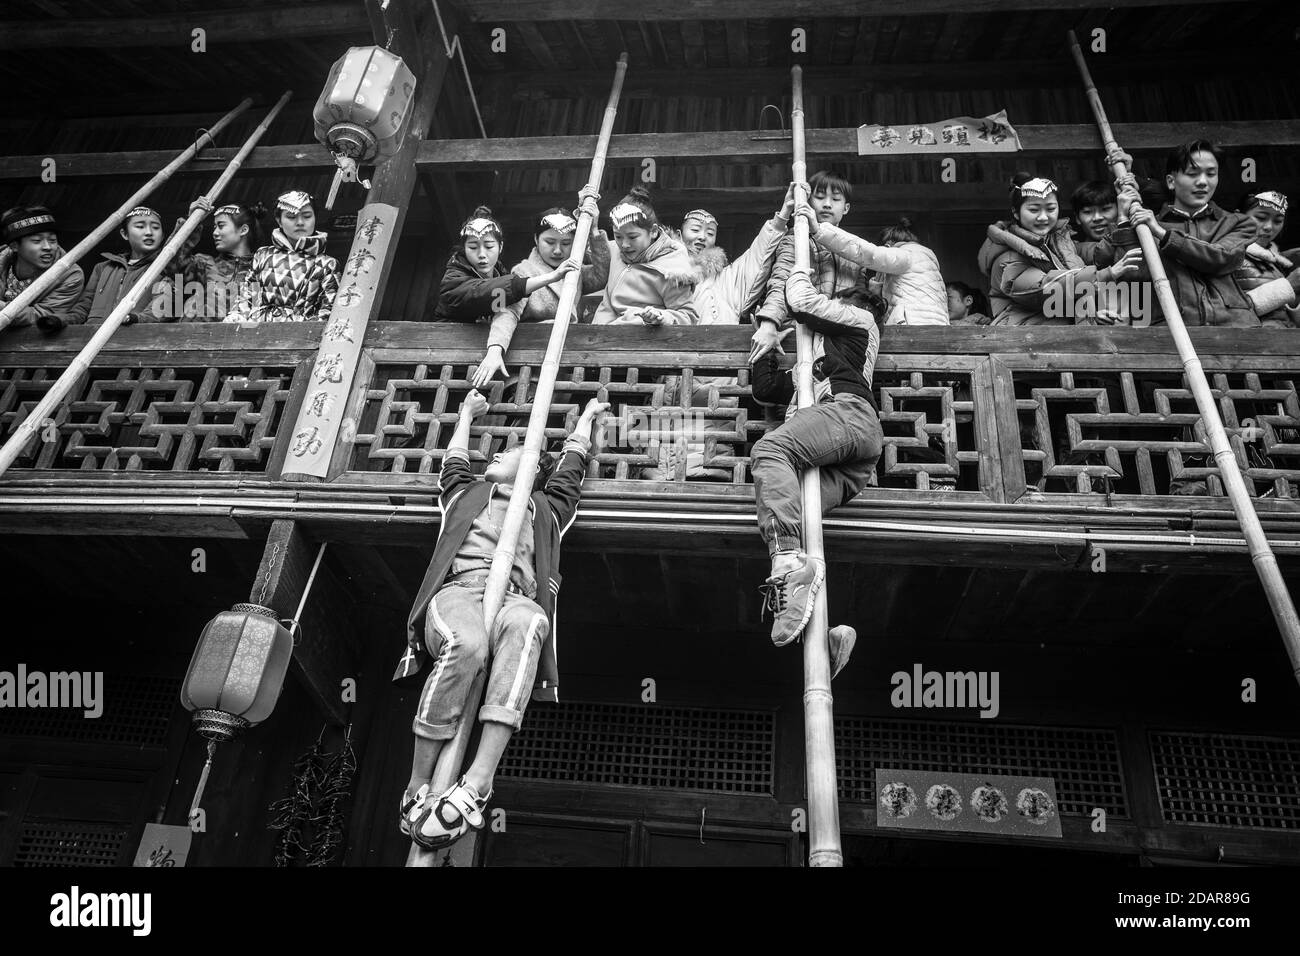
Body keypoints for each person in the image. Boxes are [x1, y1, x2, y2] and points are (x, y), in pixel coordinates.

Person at [394, 390, 608, 850]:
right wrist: (466, 415)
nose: (496, 454)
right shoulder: (468, 494)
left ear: (533, 468)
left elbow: (570, 470)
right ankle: (417, 786)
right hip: (459, 593)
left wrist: (587, 419)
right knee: (467, 646)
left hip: (514, 599)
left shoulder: (547, 510)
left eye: (509, 452)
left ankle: (477, 782)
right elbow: (453, 463)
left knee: (531, 623)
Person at [747, 256, 882, 656]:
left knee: (770, 449)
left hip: (849, 417)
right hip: (845, 447)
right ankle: (825, 638)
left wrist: (799, 271)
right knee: (798, 518)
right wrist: (771, 340)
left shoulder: (861, 323)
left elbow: (801, 298)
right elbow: (766, 388)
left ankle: (785, 562)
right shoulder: (817, 365)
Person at [1115, 140, 1260, 327]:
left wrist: (1162, 233)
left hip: (1237, 329)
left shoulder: (1238, 223)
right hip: (1170, 334)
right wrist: (1123, 219)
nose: (1202, 182)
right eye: (1193, 173)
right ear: (1170, 181)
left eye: (1211, 174)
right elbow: (1130, 277)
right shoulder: (1145, 228)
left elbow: (1221, 257)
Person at [471, 201, 609, 388]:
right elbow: (507, 313)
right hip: (528, 365)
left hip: (564, 360)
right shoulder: (522, 271)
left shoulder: (575, 273)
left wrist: (593, 230)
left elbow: (601, 275)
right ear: (536, 239)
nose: (558, 250)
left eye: (566, 243)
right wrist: (495, 349)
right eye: (550, 242)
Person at [977, 174, 1144, 325]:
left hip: (1060, 335)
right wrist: (1104, 274)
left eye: (1050, 209)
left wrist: (1123, 216)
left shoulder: (1059, 242)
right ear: (1016, 213)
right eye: (1034, 210)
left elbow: (1100, 253)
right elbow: (1045, 288)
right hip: (1023, 339)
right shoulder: (1007, 253)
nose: (1043, 217)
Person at [751, 171, 864, 344]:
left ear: (846, 208)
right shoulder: (796, 238)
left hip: (840, 338)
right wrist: (770, 322)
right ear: (809, 202)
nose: (827, 204)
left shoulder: (855, 249)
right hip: (798, 333)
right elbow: (781, 279)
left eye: (835, 199)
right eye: (819, 197)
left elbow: (861, 300)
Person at [435, 205, 579, 328]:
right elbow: (481, 292)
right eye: (473, 247)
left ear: (501, 247)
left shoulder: (502, 274)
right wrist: (550, 277)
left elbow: (506, 316)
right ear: (464, 249)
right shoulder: (453, 279)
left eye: (489, 246)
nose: (481, 254)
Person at [591, 186, 699, 326]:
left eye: (632, 237)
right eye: (618, 236)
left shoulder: (673, 269)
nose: (624, 244)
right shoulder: (615, 252)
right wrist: (591, 225)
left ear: (653, 231)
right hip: (598, 337)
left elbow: (688, 316)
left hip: (643, 342)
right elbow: (596, 261)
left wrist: (662, 317)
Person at [226, 190, 338, 323]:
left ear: (315, 218)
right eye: (291, 217)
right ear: (279, 220)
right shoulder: (263, 255)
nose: (300, 222)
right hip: (256, 333)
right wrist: (237, 317)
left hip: (301, 338)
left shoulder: (327, 264)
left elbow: (328, 312)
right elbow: (247, 298)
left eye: (307, 216)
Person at [67, 206, 182, 326]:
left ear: (163, 235)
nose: (149, 232)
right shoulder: (103, 268)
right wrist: (60, 321)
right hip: (91, 339)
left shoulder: (167, 268)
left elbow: (164, 310)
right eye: (140, 226)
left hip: (137, 341)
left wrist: (133, 318)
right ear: (124, 234)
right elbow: (82, 309)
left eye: (156, 228)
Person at [169, 198, 265, 321]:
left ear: (243, 230)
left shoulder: (261, 269)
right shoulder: (204, 263)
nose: (215, 232)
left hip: (238, 337)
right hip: (193, 337)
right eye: (214, 227)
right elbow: (171, 265)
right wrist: (190, 222)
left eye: (221, 226)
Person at [0, 205, 84, 332]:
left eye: (52, 240)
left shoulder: (70, 275)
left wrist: (2, 308)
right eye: (36, 240)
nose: (48, 247)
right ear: (14, 246)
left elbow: (42, 316)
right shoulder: (2, 261)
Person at [1233, 190, 1300, 327]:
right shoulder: (1227, 255)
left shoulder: (1279, 263)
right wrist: (1288, 286)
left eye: (1278, 221)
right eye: (1261, 217)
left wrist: (1295, 299)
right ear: (1238, 216)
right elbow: (1227, 314)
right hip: (1248, 345)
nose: (1269, 227)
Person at [1069, 180, 1119, 263]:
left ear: (1119, 210)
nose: (1097, 218)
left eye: (1105, 209)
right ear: (1077, 218)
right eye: (1088, 212)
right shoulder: (1073, 253)